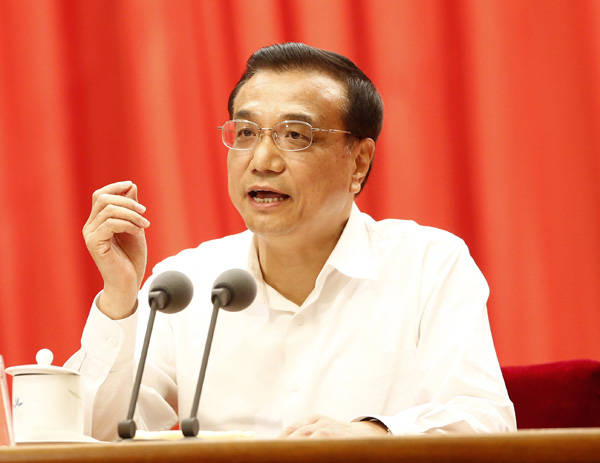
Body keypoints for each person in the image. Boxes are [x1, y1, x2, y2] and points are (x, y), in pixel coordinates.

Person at [67, 42, 516, 441]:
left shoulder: (428, 266)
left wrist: (373, 435)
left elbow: (485, 420)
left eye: (295, 136)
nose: (262, 160)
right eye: (246, 133)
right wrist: (119, 299)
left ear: (359, 162)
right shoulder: (186, 283)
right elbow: (93, 433)